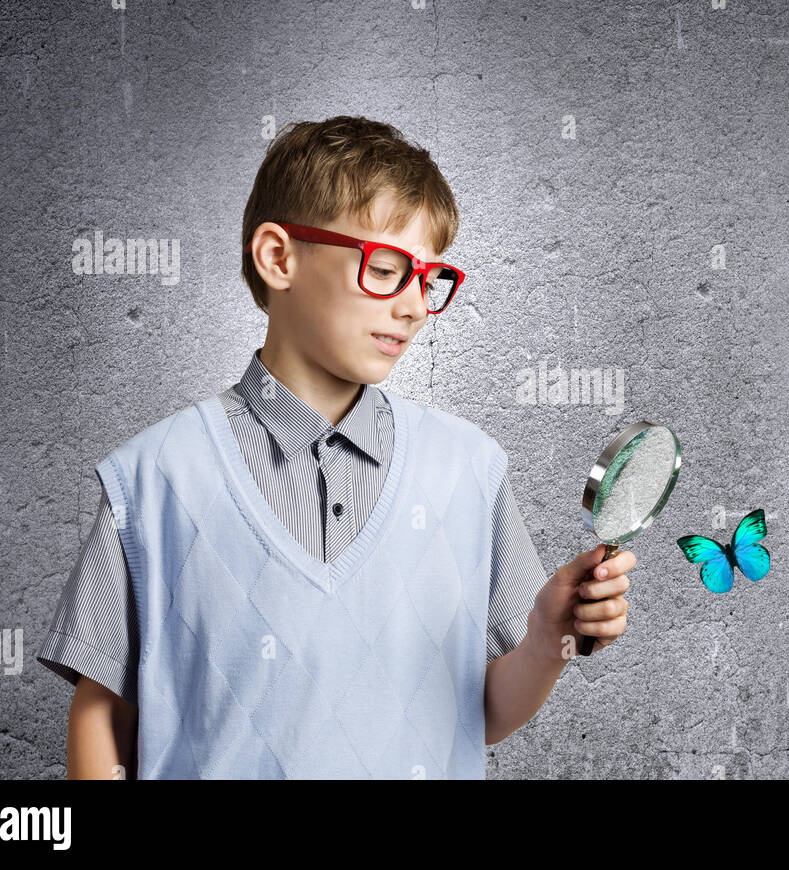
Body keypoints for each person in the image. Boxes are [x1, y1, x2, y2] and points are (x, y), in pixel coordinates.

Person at [36, 115, 634, 779]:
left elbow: (482, 709)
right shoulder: (154, 478)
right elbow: (101, 715)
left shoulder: (469, 470)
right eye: (385, 268)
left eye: (428, 279)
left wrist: (550, 641)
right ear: (278, 257)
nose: (412, 306)